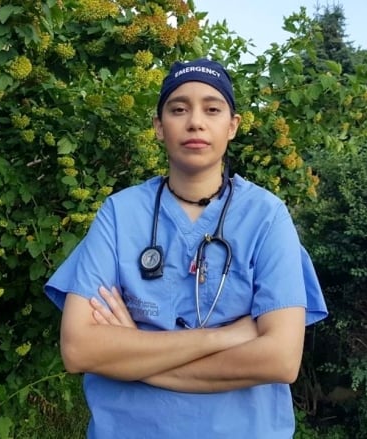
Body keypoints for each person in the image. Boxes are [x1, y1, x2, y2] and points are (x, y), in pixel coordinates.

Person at [45, 58, 328, 438]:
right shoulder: (120, 214)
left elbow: (279, 360)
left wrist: (134, 354)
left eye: (212, 109)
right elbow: (79, 349)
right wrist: (224, 336)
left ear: (232, 126)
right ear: (159, 127)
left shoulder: (266, 217)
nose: (195, 121)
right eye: (179, 109)